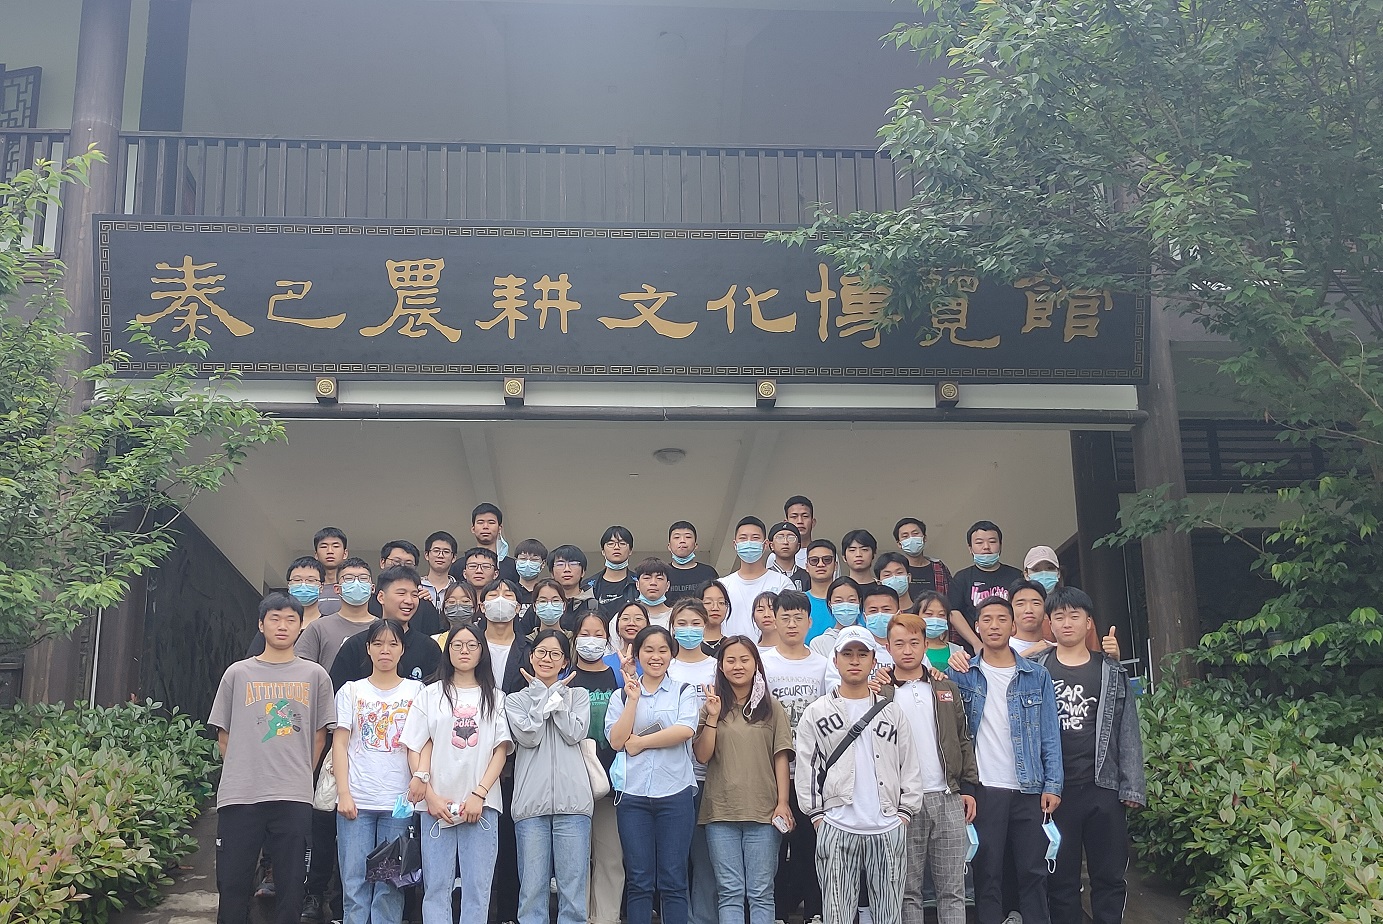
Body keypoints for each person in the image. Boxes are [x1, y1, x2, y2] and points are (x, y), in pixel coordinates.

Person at [209, 592, 335, 924]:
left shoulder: (315, 675)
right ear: (261, 625)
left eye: (291, 620)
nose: (282, 626)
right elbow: (224, 735)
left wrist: (299, 774)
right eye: (275, 619)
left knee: (291, 886)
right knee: (233, 883)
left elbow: (319, 736)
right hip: (240, 794)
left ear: (300, 627)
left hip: (293, 795)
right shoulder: (237, 673)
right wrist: (245, 768)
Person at [946, 595, 1063, 924]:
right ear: (976, 627)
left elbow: (1049, 733)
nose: (994, 625)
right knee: (987, 873)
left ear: (1013, 627)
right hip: (985, 788)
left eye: (1001, 619)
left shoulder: (1036, 675)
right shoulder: (962, 674)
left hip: (1029, 788)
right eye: (987, 619)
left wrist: (1053, 784)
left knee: (1033, 872)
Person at [1031, 588, 1145, 924]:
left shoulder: (1110, 670)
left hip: (1102, 787)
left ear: (1089, 622)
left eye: (1075, 615)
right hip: (1054, 790)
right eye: (1059, 616)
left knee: (1109, 875)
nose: (1067, 623)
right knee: (1060, 879)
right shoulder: (1035, 669)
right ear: (1049, 624)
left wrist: (1132, 784)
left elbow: (1128, 728)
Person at [795, 626, 923, 924]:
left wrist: (904, 814)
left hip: (887, 825)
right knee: (837, 914)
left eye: (862, 654)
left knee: (888, 915)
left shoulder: (891, 711)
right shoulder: (817, 711)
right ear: (835, 660)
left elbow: (909, 765)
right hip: (837, 825)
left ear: (873, 660)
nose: (855, 660)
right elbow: (807, 768)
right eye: (847, 654)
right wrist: (818, 817)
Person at [401, 623, 512, 924]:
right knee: (436, 888)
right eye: (457, 645)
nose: (464, 651)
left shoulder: (495, 697)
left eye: (472, 645)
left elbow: (500, 750)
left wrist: (479, 794)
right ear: (447, 650)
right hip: (436, 806)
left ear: (481, 651)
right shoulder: (430, 694)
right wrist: (431, 797)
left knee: (478, 889)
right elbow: (415, 746)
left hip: (482, 805)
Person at [885, 613, 978, 924]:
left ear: (926, 645)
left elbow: (963, 738)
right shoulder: (881, 692)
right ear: (888, 647)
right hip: (902, 802)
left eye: (914, 643)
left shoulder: (944, 687)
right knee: (907, 890)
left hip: (947, 796)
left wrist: (968, 788)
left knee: (952, 889)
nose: (907, 650)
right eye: (899, 643)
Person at [694, 638, 794, 924]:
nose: (737, 666)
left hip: (764, 812)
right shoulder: (711, 707)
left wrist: (783, 803)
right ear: (721, 667)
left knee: (761, 892)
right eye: (730, 660)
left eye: (744, 659)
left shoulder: (772, 708)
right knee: (729, 891)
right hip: (720, 812)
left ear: (756, 665)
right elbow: (702, 755)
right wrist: (713, 717)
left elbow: (781, 758)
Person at [605, 626, 700, 924]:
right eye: (648, 649)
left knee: (674, 879)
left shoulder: (684, 691)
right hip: (633, 796)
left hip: (675, 794)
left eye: (662, 650)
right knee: (639, 879)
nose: (655, 656)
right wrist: (633, 700)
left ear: (672, 655)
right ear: (637, 654)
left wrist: (641, 743)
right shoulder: (621, 696)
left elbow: (685, 730)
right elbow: (616, 740)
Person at [332, 619, 425, 924]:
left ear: (402, 650)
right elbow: (340, 744)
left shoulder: (417, 691)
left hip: (399, 804)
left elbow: (422, 743)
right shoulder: (351, 691)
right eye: (378, 644)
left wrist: (420, 778)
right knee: (354, 882)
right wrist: (343, 793)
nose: (386, 650)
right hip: (356, 801)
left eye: (393, 644)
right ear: (368, 649)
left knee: (390, 886)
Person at [506, 630, 594, 924]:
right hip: (530, 806)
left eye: (555, 654)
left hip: (574, 804)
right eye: (541, 652)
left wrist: (555, 698)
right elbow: (529, 736)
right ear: (531, 657)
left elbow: (574, 733)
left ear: (565, 662)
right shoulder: (515, 700)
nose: (547, 659)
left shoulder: (578, 696)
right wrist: (542, 696)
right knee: (532, 893)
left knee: (573, 896)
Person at [759, 590, 830, 924]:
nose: (791, 624)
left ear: (809, 622)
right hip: (770, 770)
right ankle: (775, 913)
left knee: (810, 847)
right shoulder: (763, 663)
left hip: (812, 774)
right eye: (784, 617)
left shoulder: (823, 665)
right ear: (774, 620)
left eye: (798, 618)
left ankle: (814, 912)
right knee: (772, 849)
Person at [567, 612, 625, 924]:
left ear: (607, 638)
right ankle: (577, 916)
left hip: (611, 781)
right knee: (575, 860)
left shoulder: (618, 678)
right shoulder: (565, 677)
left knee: (610, 856)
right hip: (572, 782)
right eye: (585, 633)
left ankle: (605, 917)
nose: (592, 640)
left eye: (598, 633)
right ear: (575, 638)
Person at [665, 599, 717, 924]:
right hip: (675, 774)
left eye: (695, 623)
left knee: (707, 856)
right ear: (672, 628)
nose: (689, 630)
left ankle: (704, 918)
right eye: (682, 624)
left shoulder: (717, 667)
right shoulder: (666, 667)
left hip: (713, 773)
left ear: (706, 626)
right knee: (675, 856)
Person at [331, 566, 441, 689]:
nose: (409, 601)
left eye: (414, 595)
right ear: (381, 597)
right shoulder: (356, 645)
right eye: (401, 593)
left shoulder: (428, 647)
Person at [948, 521, 1023, 651]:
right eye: (979, 543)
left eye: (992, 542)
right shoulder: (962, 578)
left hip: (1012, 647)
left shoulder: (1016, 576)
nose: (986, 547)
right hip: (973, 649)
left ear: (1000, 545)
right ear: (970, 548)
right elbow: (953, 612)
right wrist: (976, 643)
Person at [721, 516, 794, 640]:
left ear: (765, 545)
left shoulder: (783, 583)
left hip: (772, 650)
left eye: (755, 538)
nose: (749, 543)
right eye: (743, 538)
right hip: (732, 650)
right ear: (735, 544)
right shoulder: (722, 586)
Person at [246, 557, 327, 658]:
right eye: (297, 580)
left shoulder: (327, 626)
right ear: (289, 585)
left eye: (311, 580)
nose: (303, 585)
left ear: (321, 587)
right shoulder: (273, 625)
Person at [370, 541, 443, 636]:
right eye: (396, 562)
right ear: (382, 562)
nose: (401, 567)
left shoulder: (424, 605)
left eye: (408, 564)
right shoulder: (367, 602)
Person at [451, 503, 520, 584]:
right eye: (480, 522)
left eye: (491, 522)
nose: (485, 526)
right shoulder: (459, 565)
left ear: (500, 528)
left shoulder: (513, 566)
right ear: (473, 528)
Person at [893, 518, 953, 603]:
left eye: (915, 534)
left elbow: (950, 598)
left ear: (924, 538)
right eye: (905, 536)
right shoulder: (895, 571)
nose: (911, 539)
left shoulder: (939, 567)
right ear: (899, 544)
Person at [585, 525, 638, 619]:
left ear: (630, 551)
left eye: (622, 543)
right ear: (603, 551)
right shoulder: (588, 586)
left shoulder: (640, 583)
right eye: (610, 543)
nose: (616, 547)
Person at [668, 521, 720, 603]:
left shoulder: (708, 572)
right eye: (677, 537)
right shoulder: (662, 573)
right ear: (669, 546)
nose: (682, 541)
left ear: (696, 545)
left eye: (688, 537)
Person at [810, 577, 861, 659]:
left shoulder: (870, 639)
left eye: (851, 600)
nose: (845, 606)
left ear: (859, 602)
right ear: (830, 604)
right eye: (838, 601)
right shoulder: (819, 644)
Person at [549, 544, 597, 628]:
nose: (567, 569)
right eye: (560, 564)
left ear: (583, 572)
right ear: (552, 573)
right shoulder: (542, 605)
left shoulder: (593, 606)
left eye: (573, 564)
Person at [803, 540, 839, 642]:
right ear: (807, 567)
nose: (820, 564)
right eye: (814, 560)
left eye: (827, 560)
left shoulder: (848, 603)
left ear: (835, 565)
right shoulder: (798, 602)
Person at [606, 600, 650, 673]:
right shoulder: (605, 662)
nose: (631, 623)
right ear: (617, 626)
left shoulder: (654, 661)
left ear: (647, 625)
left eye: (638, 619)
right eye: (625, 618)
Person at [314, 527, 349, 617]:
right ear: (316, 555)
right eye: (324, 547)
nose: (330, 551)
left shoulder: (352, 587)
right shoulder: (309, 589)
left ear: (345, 553)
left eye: (336, 546)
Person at [767, 521, 810, 591]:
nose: (785, 542)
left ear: (798, 546)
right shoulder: (764, 576)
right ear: (771, 545)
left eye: (791, 538)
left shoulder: (807, 576)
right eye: (780, 538)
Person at [422, 531, 459, 609]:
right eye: (436, 551)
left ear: (454, 557)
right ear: (426, 555)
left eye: (446, 552)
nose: (440, 556)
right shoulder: (416, 586)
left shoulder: (460, 589)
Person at [633, 557, 674, 627]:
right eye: (647, 578)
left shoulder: (676, 617)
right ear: (637, 584)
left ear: (667, 585)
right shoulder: (624, 617)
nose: (653, 583)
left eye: (659, 578)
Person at [784, 496, 818, 569]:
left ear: (813, 522)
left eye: (805, 516)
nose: (800, 521)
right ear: (786, 523)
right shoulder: (776, 556)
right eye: (794, 517)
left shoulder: (826, 553)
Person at [513, 538, 550, 603]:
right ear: (516, 562)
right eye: (523, 559)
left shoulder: (548, 591)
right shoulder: (510, 591)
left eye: (534, 560)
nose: (528, 564)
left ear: (543, 564)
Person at [700, 580, 730, 655]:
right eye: (708, 602)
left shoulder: (731, 646)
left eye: (721, 602)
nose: (715, 608)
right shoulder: (688, 645)